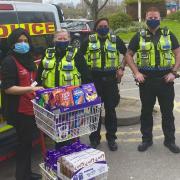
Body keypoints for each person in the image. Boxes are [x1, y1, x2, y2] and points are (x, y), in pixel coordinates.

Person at [125, 7, 180, 153]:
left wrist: (174, 72)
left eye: (156, 17)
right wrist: (136, 72)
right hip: (146, 81)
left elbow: (178, 53)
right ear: (145, 19)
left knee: (167, 113)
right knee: (146, 112)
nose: (153, 20)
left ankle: (170, 141)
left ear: (160, 19)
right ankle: (146, 140)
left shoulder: (169, 35)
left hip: (165, 80)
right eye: (150, 17)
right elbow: (128, 55)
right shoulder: (139, 36)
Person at [36, 29, 92, 148]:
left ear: (69, 40)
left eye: (65, 39)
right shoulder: (47, 54)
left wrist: (88, 97)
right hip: (51, 99)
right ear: (54, 40)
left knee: (72, 131)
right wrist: (38, 90)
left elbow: (86, 76)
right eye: (59, 39)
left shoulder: (76, 54)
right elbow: (39, 75)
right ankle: (61, 155)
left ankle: (72, 153)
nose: (62, 41)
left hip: (71, 99)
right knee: (58, 131)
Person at [79, 18, 127, 151]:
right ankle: (94, 139)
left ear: (109, 27)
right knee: (94, 111)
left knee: (111, 110)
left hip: (111, 81)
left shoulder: (115, 40)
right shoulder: (88, 41)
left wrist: (121, 68)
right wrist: (85, 74)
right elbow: (78, 57)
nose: (103, 28)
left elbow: (127, 53)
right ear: (96, 28)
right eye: (100, 26)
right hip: (93, 81)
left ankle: (111, 138)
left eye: (106, 26)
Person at [1, 28, 43, 180]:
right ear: (12, 43)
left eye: (25, 41)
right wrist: (31, 89)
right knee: (23, 144)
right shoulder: (9, 61)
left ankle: (27, 173)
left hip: (31, 108)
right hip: (20, 111)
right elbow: (8, 88)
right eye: (19, 41)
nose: (23, 44)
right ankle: (21, 176)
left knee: (28, 143)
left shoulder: (28, 58)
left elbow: (32, 79)